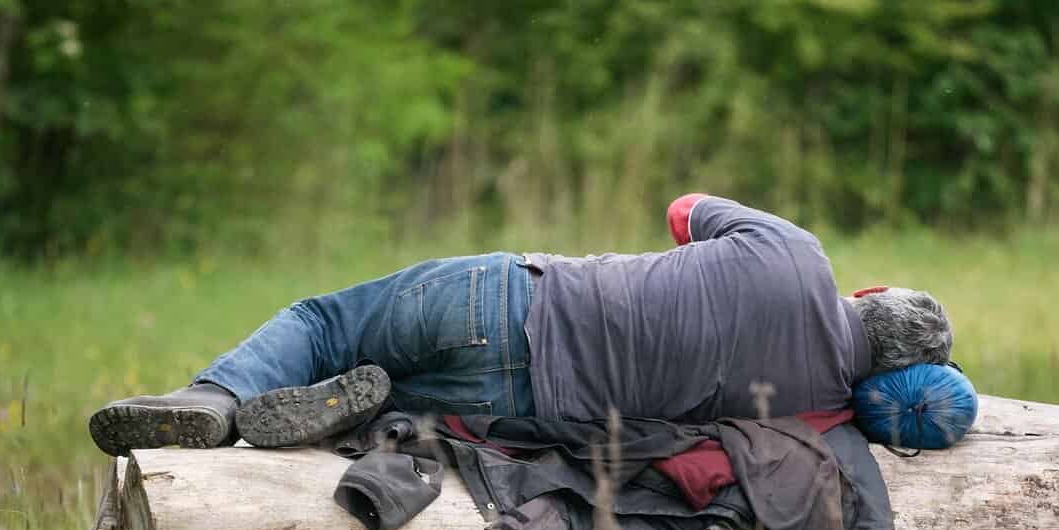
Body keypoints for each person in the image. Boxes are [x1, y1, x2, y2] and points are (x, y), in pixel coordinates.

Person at [88, 194, 953, 456]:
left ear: (870, 293)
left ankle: (211, 397)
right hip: (528, 410)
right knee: (414, 405)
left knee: (324, 321)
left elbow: (682, 209)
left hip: (512, 297)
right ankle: (358, 415)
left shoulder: (797, 250)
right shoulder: (813, 409)